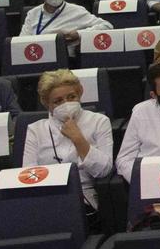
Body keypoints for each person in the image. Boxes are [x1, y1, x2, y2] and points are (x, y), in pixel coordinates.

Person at [22, 69, 115, 218]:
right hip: (46, 197)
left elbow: (104, 170)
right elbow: (28, 175)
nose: (66, 103)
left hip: (84, 196)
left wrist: (78, 139)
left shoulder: (99, 121)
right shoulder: (35, 130)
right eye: (58, 101)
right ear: (46, 103)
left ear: (80, 93)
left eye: (71, 97)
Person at [19, 0, 114, 42]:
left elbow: (107, 26)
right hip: (38, 54)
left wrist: (79, 34)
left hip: (65, 58)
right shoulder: (33, 13)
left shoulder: (76, 10)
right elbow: (21, 41)